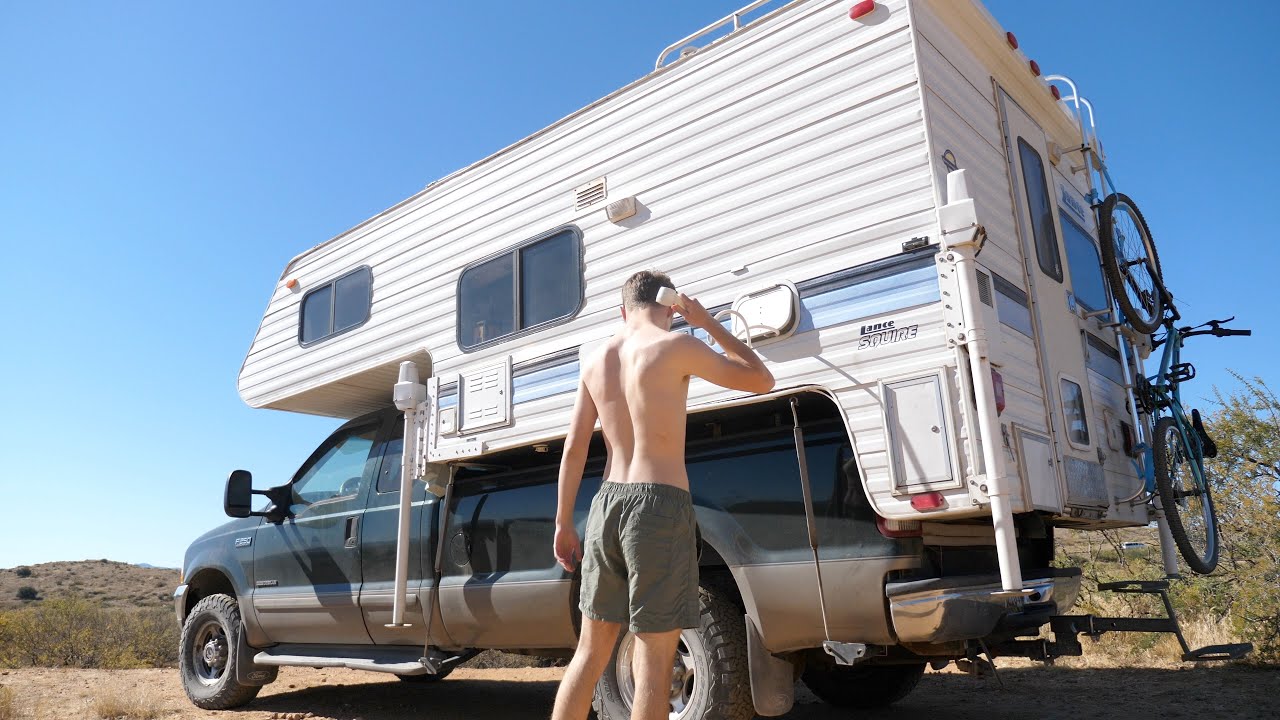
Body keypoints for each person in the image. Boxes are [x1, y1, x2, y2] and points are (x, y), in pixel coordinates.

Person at [550, 270, 774, 720]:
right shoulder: (677, 346)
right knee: (654, 657)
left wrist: (562, 523)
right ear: (671, 306)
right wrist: (708, 323)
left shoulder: (596, 361)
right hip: (658, 505)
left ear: (622, 310)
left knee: (591, 652)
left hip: (605, 506)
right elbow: (761, 378)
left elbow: (574, 450)